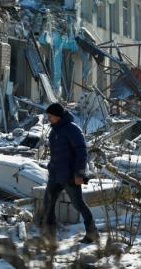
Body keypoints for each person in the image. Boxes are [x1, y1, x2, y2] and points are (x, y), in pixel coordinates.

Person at [42, 102, 99, 244]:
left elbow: (81, 152)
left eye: (50, 116)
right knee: (48, 204)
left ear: (58, 116)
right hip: (55, 175)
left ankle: (92, 233)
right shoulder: (54, 130)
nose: (48, 118)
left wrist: (79, 173)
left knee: (78, 204)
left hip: (69, 176)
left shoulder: (72, 129)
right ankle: (49, 236)